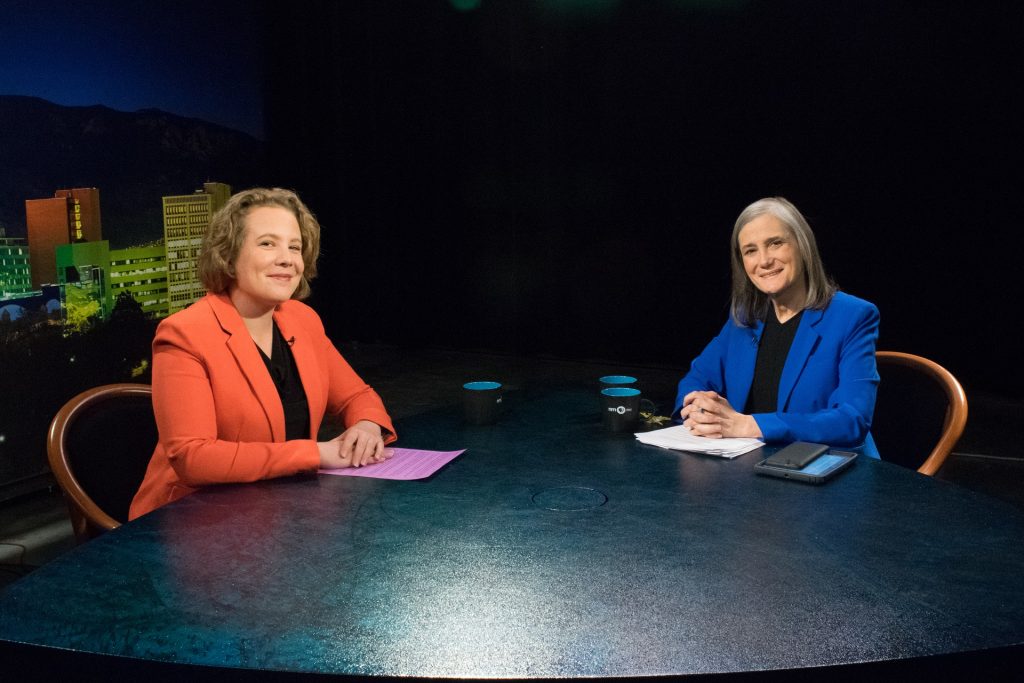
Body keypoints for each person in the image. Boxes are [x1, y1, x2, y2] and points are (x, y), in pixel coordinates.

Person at [130, 187, 396, 519]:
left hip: (282, 509)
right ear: (228, 256)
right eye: (267, 243)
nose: (287, 258)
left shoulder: (303, 319)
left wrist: (367, 426)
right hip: (195, 518)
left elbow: (357, 396)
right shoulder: (184, 334)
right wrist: (315, 454)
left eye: (294, 247)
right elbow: (193, 457)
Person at [674, 196, 880, 457]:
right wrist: (700, 410)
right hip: (750, 469)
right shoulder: (744, 319)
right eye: (750, 251)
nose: (764, 261)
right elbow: (696, 379)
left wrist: (749, 425)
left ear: (802, 246)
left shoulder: (853, 316)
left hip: (829, 468)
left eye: (775, 243)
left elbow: (851, 420)